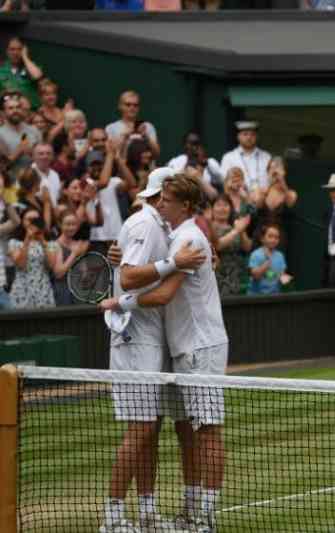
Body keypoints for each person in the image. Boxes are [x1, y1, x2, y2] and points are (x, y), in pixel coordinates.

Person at [101, 173, 228, 533]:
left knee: (207, 431)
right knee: (190, 428)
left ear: (184, 205)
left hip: (200, 346)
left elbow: (162, 295)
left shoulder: (187, 236)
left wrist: (119, 301)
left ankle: (204, 518)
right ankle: (190, 513)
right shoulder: (175, 235)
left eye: (166, 199)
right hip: (181, 347)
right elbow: (153, 267)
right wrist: (120, 255)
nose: (159, 204)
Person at [6, 207, 56, 309]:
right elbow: (21, 265)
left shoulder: (50, 243)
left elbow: (51, 266)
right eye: (29, 219)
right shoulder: (14, 243)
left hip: (43, 289)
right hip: (22, 290)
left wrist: (42, 241)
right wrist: (27, 239)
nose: (32, 222)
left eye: (36, 219)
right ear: (22, 221)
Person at [211, 195, 251, 297]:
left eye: (225, 205)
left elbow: (247, 247)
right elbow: (217, 245)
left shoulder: (235, 226)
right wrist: (236, 231)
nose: (222, 208)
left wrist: (241, 231)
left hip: (235, 274)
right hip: (216, 275)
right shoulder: (209, 227)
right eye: (218, 205)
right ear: (212, 209)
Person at [220, 121, 271, 198]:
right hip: (239, 201)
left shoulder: (266, 157)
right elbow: (225, 183)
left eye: (252, 134)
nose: (249, 137)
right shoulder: (228, 157)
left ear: (257, 136)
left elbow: (272, 181)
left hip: (264, 200)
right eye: (245, 134)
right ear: (238, 136)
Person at [253, 156, 296, 247]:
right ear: (267, 172)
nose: (275, 172)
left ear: (284, 172)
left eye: (279, 168)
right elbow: (258, 205)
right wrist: (270, 184)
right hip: (260, 237)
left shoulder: (290, 193)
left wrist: (282, 182)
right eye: (272, 168)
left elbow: (290, 202)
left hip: (279, 239)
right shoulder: (260, 191)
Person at [105, 90, 161, 158]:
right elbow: (111, 154)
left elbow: (157, 154)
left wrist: (146, 137)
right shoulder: (111, 128)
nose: (132, 108)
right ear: (120, 106)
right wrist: (125, 136)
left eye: (135, 105)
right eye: (128, 105)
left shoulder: (148, 126)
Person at [50, 210, 90, 305]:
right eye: (67, 224)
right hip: (62, 291)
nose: (71, 227)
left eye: (74, 224)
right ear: (60, 225)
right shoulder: (55, 245)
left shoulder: (77, 244)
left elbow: (84, 273)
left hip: (78, 290)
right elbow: (58, 273)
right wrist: (74, 254)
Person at [168, 131, 223, 195]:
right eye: (190, 143)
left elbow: (221, 180)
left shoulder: (210, 162)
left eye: (196, 143)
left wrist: (205, 163)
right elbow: (169, 180)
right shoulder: (176, 161)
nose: (193, 147)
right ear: (185, 145)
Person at [0, 92, 42, 176]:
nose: (15, 110)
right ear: (3, 113)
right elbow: (2, 167)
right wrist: (19, 151)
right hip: (11, 184)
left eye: (18, 107)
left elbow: (44, 159)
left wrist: (33, 153)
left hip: (35, 181)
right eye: (10, 108)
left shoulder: (34, 130)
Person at [0, 37, 43, 109]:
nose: (15, 53)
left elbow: (37, 76)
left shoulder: (30, 66)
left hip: (32, 112)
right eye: (12, 49)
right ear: (7, 51)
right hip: (10, 113)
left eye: (19, 49)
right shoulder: (1, 70)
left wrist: (25, 57)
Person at [248, 223, 290, 295]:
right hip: (256, 297)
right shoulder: (256, 255)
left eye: (276, 237)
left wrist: (285, 279)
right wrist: (266, 263)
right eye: (270, 236)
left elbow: (282, 275)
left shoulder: (280, 256)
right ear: (262, 239)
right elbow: (255, 276)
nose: (273, 240)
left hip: (274, 295)